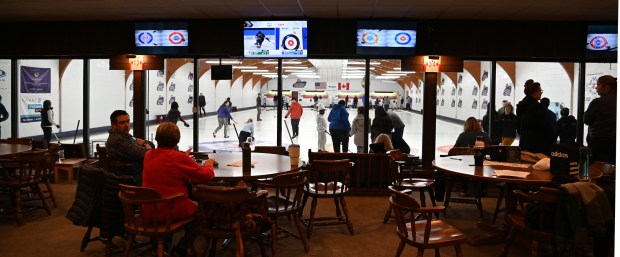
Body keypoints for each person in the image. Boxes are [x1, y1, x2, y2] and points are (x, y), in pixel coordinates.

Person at [142, 122, 215, 256]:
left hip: (149, 209)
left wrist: (184, 158)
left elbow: (167, 165)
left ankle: (161, 247)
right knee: (203, 212)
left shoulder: (148, 155)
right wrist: (209, 165)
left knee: (164, 196)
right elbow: (207, 176)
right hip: (170, 210)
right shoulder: (178, 158)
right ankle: (181, 248)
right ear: (177, 139)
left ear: (157, 138)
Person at [106, 110, 154, 180]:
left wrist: (144, 144)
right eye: (122, 123)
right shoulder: (119, 140)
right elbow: (147, 154)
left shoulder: (124, 136)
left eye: (128, 121)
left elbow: (150, 145)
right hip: (133, 177)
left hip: (135, 173)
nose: (127, 125)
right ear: (113, 125)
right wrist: (145, 144)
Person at [516, 79, 554, 155]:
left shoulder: (521, 105)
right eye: (540, 91)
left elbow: (518, 124)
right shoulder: (537, 107)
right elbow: (544, 126)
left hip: (524, 142)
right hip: (537, 144)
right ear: (534, 92)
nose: (541, 93)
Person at [584, 75, 617, 164]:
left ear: (606, 86)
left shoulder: (597, 102)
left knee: (598, 169)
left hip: (599, 142)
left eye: (598, 85)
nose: (596, 88)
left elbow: (586, 120)